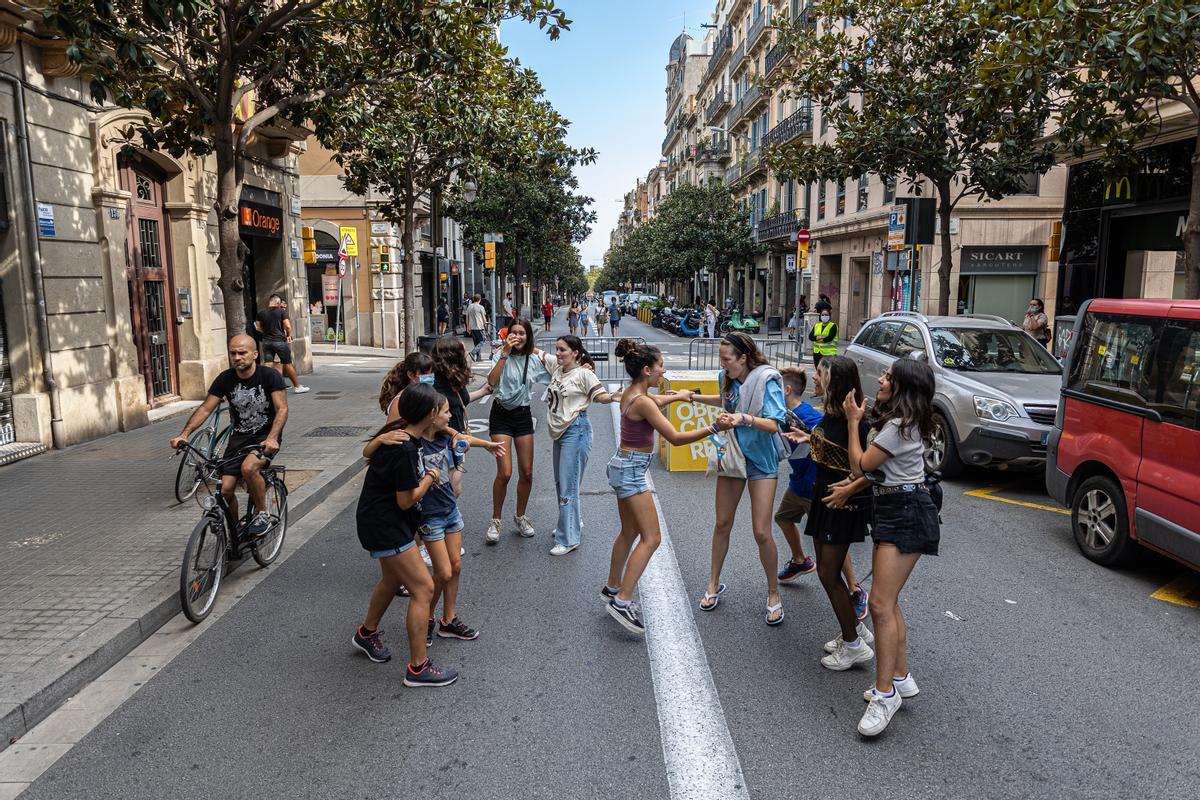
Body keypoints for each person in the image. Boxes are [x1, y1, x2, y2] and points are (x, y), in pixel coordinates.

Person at [838, 358, 939, 737]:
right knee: (888, 601)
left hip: (905, 511)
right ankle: (900, 676)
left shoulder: (899, 427)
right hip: (898, 507)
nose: (880, 380)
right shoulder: (903, 423)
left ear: (902, 388)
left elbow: (860, 468)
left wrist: (852, 422)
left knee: (880, 604)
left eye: (888, 377)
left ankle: (886, 695)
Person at [604, 340, 734, 633]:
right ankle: (622, 602)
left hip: (622, 466)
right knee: (652, 538)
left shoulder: (632, 393)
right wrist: (714, 428)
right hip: (632, 472)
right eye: (661, 366)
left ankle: (612, 588)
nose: (664, 371)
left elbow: (654, 403)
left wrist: (679, 397)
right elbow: (675, 437)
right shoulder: (644, 401)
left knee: (628, 532)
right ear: (648, 370)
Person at [351, 384, 457, 687]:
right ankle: (418, 667)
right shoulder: (405, 448)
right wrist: (429, 479)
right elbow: (405, 500)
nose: (448, 416)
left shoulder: (403, 434)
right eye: (444, 411)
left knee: (391, 580)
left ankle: (366, 634)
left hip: (380, 521)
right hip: (386, 525)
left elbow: (369, 451)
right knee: (423, 589)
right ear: (430, 415)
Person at [691, 332, 788, 625]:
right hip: (733, 456)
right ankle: (713, 582)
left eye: (726, 359)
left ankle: (773, 594)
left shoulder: (766, 379)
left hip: (761, 460)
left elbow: (774, 424)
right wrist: (692, 397)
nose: (722, 364)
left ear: (743, 357)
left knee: (761, 532)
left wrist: (742, 419)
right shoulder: (728, 378)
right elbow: (725, 401)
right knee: (722, 523)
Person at [170, 335, 287, 538]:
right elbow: (206, 409)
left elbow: (282, 408)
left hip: (264, 437)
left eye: (242, 353)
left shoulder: (269, 376)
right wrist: (184, 434)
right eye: (233, 353)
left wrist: (273, 437)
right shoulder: (225, 379)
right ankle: (235, 532)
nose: (237, 357)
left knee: (249, 468)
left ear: (255, 354)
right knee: (225, 490)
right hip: (238, 439)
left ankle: (262, 514)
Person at [802, 355, 874, 672]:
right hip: (824, 498)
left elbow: (867, 469)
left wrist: (848, 489)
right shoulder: (831, 415)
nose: (814, 379)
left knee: (828, 575)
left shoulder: (856, 422)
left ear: (835, 382)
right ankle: (853, 632)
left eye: (819, 375)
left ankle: (854, 645)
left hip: (841, 503)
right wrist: (807, 437)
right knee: (826, 573)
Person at [542, 335, 619, 555]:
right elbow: (537, 353)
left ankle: (569, 539)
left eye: (563, 350)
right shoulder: (558, 369)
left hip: (576, 431)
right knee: (561, 484)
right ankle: (570, 524)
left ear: (575, 353)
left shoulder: (584, 373)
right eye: (556, 349)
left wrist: (613, 397)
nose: (558, 353)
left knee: (568, 486)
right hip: (559, 433)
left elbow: (599, 395)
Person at [485, 319, 551, 543]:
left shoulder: (533, 360)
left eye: (522, 333)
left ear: (528, 336)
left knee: (527, 472)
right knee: (505, 473)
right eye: (514, 333)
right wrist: (504, 353)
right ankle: (495, 520)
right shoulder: (500, 355)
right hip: (501, 414)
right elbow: (492, 383)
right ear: (508, 336)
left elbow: (556, 377)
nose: (518, 337)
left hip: (522, 416)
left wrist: (582, 366)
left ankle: (520, 516)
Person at [774, 367, 823, 583]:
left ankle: (854, 589)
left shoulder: (810, 415)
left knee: (828, 541)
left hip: (815, 484)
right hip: (798, 482)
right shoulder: (780, 413)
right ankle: (799, 560)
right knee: (783, 517)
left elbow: (828, 443)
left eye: (773, 388)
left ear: (786, 390)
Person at [431, 337, 495, 496]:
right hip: (443, 442)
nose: (467, 353)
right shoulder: (436, 384)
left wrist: (483, 391)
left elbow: (461, 401)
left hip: (455, 441)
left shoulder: (452, 378)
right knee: (452, 488)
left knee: (452, 485)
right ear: (453, 356)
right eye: (463, 351)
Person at [254, 293, 309, 393]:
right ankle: (297, 386)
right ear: (278, 302)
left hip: (266, 342)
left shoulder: (261, 313)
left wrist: (266, 332)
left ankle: (264, 388)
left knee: (268, 363)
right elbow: (287, 326)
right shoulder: (281, 312)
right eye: (280, 303)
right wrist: (288, 335)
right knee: (287, 363)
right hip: (279, 341)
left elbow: (257, 327)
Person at [466, 294, 488, 361]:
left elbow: (467, 318)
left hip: (472, 327)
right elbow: (483, 317)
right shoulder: (480, 307)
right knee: (482, 341)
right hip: (479, 326)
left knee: (476, 343)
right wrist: (486, 324)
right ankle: (473, 352)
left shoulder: (469, 307)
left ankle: (478, 358)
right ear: (480, 299)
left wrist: (467, 327)